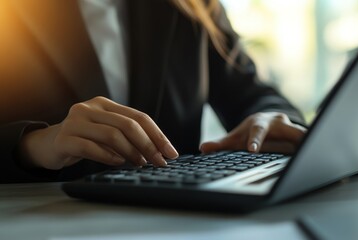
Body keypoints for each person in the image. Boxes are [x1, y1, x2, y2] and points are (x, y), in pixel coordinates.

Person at [0, 0, 306, 183]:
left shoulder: (192, 6)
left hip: (177, 218)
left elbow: (252, 94)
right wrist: (31, 146)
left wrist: (268, 118)